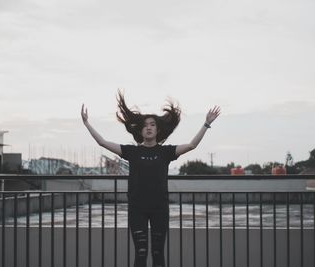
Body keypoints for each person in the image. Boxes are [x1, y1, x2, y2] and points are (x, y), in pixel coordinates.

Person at [80, 91, 220, 267]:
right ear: (140, 130)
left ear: (157, 130)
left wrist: (206, 123)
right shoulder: (132, 152)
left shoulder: (166, 152)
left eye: (153, 125)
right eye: (145, 125)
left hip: (160, 209)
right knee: (140, 253)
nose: (149, 127)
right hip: (137, 209)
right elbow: (102, 142)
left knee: (158, 253)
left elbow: (192, 145)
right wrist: (87, 124)